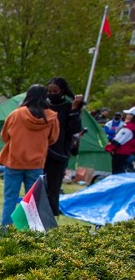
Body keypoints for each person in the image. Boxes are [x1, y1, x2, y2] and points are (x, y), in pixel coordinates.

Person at [0, 84, 59, 228]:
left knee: (10, 199)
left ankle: (5, 231)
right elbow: (53, 139)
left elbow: (4, 136)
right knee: (33, 202)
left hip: (14, 162)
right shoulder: (51, 117)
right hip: (36, 164)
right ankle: (32, 232)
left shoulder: (16, 114)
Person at [45, 77, 83, 217]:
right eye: (49, 91)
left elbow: (74, 129)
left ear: (62, 91)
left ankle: (50, 217)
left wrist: (74, 108)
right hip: (42, 152)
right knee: (39, 187)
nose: (52, 93)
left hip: (59, 152)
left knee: (53, 189)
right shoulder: (45, 104)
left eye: (55, 91)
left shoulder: (69, 106)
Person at [104, 106, 135, 174]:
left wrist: (108, 148)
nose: (127, 115)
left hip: (121, 153)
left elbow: (118, 140)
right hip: (130, 153)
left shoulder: (129, 127)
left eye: (129, 114)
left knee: (117, 173)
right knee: (125, 172)